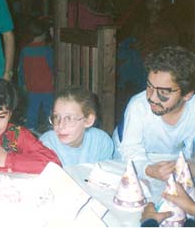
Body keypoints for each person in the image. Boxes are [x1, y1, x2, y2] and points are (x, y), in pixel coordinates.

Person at [117, 46, 195, 181]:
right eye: (149, 86)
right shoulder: (138, 106)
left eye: (164, 92)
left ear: (187, 95)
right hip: (132, 160)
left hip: (172, 164)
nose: (152, 98)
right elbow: (130, 150)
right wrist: (148, 169)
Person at [39, 86, 114, 166]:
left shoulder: (101, 142)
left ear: (88, 120)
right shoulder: (46, 144)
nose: (60, 126)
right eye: (56, 117)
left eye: (69, 118)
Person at [17, 16, 54, 131]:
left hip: (32, 87)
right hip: (47, 87)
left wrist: (22, 83)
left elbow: (21, 69)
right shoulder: (47, 50)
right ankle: (52, 128)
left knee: (32, 109)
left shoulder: (25, 50)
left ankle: (31, 128)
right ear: (43, 34)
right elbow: (53, 67)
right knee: (50, 109)